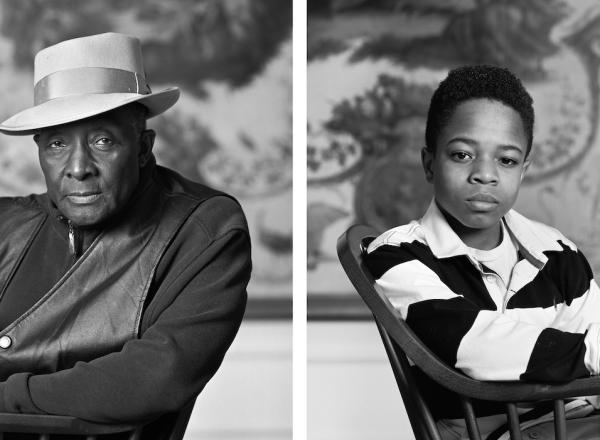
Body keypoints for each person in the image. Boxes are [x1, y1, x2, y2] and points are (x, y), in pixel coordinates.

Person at [0, 32, 251, 436]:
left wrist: (9, 398)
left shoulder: (205, 229)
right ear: (40, 151)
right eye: (57, 144)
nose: (78, 167)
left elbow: (156, 375)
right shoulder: (8, 223)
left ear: (143, 147)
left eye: (102, 140)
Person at [364, 65, 600, 439]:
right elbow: (474, 346)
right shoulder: (397, 254)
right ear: (429, 163)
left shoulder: (556, 252)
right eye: (462, 155)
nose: (485, 175)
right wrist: (585, 356)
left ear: (523, 171)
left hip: (576, 417)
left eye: (506, 160)